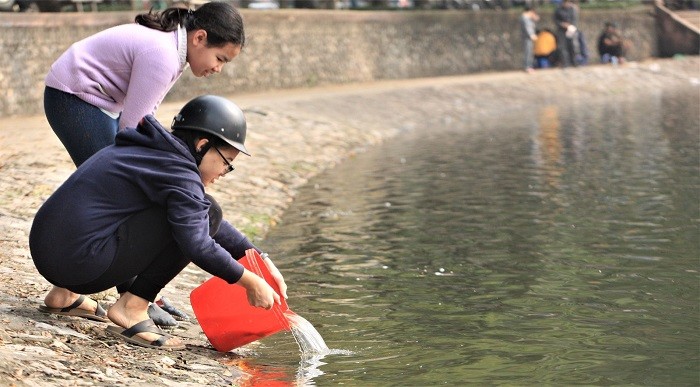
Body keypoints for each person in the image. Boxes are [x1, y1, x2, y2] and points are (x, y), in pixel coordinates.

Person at [42, 2, 245, 327]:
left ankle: (68, 293)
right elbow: (133, 131)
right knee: (126, 193)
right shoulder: (164, 56)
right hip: (74, 97)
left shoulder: (173, 50)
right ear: (200, 38)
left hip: (91, 100)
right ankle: (134, 300)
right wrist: (178, 176)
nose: (218, 69)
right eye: (220, 58)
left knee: (120, 190)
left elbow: (139, 125)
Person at [30, 95, 288, 350]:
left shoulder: (152, 149)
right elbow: (198, 241)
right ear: (201, 145)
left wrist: (258, 256)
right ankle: (132, 307)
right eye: (226, 162)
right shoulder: (178, 172)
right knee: (209, 215)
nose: (224, 172)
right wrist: (250, 281)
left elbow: (195, 210)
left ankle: (63, 295)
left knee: (198, 211)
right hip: (79, 264)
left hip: (51, 252)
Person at [553, 0, 578, 67]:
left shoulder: (572, 9)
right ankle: (565, 63)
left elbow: (574, 20)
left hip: (571, 29)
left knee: (572, 46)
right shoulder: (558, 10)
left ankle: (574, 62)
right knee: (562, 47)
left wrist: (570, 25)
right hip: (561, 31)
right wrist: (562, 24)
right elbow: (555, 20)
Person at [520, 5, 540, 73]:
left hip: (528, 37)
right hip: (527, 37)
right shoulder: (525, 18)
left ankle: (529, 66)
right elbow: (528, 28)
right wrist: (532, 35)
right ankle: (528, 66)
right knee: (528, 52)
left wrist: (534, 18)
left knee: (530, 52)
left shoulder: (528, 18)